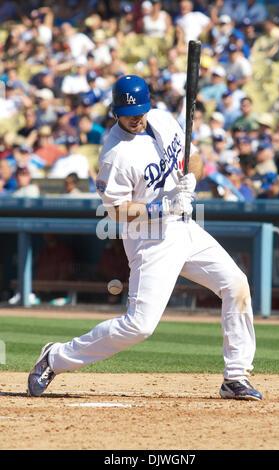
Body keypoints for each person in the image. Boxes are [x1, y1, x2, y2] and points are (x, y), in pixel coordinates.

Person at [27, 75, 262, 401]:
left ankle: (235, 377)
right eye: (129, 113)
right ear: (116, 112)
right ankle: (56, 357)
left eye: (141, 110)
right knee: (139, 326)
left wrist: (191, 178)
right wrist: (161, 206)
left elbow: (193, 157)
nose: (137, 118)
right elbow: (118, 212)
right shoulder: (115, 154)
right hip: (149, 239)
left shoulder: (163, 120)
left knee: (236, 283)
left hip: (185, 228)